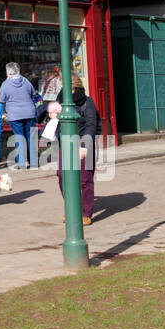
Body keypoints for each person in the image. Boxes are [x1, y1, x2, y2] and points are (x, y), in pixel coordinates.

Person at [49, 84, 100, 225]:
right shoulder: (60, 99)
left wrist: (85, 146)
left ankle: (85, 212)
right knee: (61, 175)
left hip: (83, 142)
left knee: (85, 179)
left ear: (75, 87)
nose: (63, 88)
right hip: (65, 142)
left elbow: (91, 125)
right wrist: (52, 115)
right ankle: (72, 207)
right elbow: (51, 115)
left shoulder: (87, 102)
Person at [0, 62, 40, 170]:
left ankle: (22, 163)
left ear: (8, 72)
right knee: (31, 137)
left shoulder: (5, 84)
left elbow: (1, 99)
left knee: (19, 137)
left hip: (15, 115)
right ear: (18, 70)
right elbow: (33, 93)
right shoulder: (25, 81)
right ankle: (34, 162)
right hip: (29, 112)